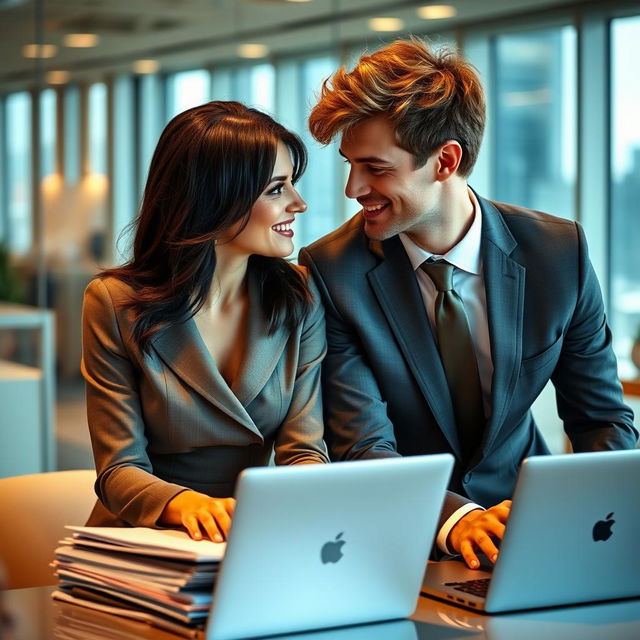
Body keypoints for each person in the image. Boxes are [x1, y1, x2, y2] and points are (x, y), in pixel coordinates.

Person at [299, 38, 637, 569]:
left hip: (536, 528)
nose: (352, 187)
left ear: (445, 160)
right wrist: (457, 519)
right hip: (401, 536)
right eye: (349, 164)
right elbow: (362, 445)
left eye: (375, 167)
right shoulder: (332, 270)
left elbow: (601, 420)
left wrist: (598, 520)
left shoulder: (558, 252)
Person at [82, 101, 328, 543]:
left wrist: (297, 498)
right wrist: (187, 504)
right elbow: (119, 469)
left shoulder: (300, 296)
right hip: (145, 537)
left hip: (251, 532)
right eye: (276, 189)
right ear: (214, 201)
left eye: (293, 184)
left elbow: (304, 450)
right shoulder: (114, 303)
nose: (299, 203)